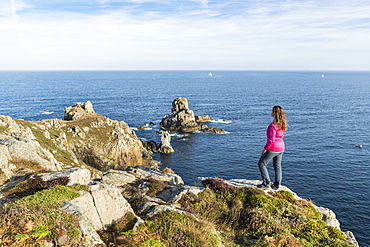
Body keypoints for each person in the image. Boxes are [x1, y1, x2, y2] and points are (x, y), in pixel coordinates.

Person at [257, 106, 287, 190]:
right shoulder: (282, 124)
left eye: (272, 111)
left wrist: (265, 148)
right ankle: (277, 184)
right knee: (277, 166)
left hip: (273, 148)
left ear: (275, 113)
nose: (271, 112)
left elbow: (271, 140)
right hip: (281, 147)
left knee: (261, 163)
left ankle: (266, 182)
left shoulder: (272, 126)